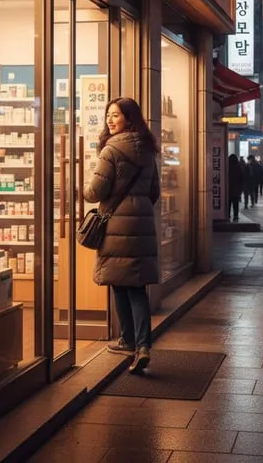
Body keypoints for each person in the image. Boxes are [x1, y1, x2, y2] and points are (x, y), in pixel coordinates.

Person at [83, 97, 159, 374]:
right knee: (134, 285)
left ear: (129, 118)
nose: (110, 120)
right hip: (141, 222)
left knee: (119, 281)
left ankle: (131, 341)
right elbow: (155, 192)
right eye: (108, 115)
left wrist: (81, 188)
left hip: (117, 223)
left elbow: (95, 192)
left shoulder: (111, 150)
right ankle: (141, 346)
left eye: (116, 115)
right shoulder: (148, 150)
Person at [228, 154, 244, 222]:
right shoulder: (238, 168)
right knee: (235, 203)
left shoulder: (227, 167)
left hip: (228, 188)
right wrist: (241, 189)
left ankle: (227, 215)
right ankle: (235, 216)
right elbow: (242, 178)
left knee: (228, 203)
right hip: (236, 188)